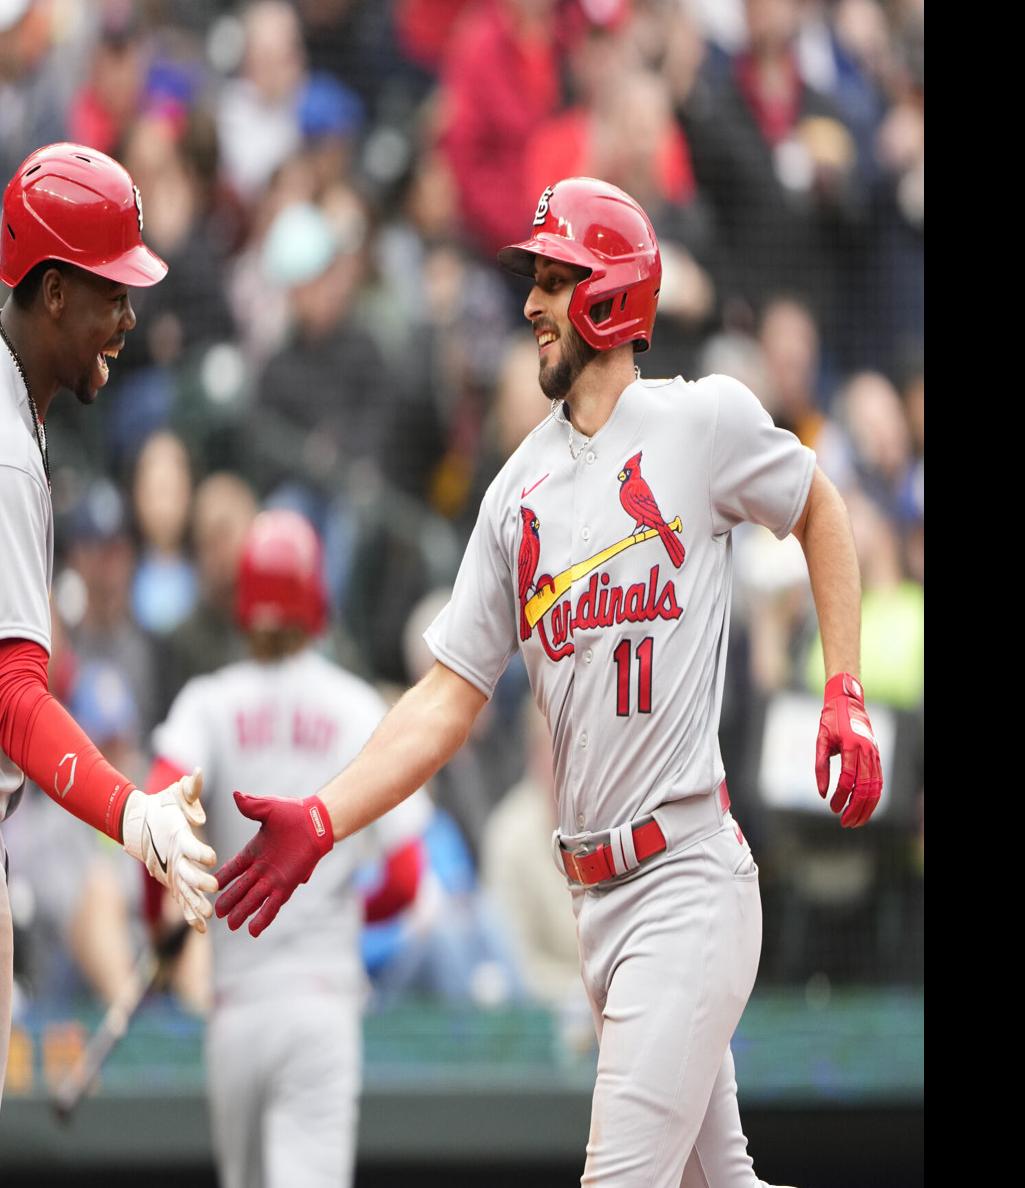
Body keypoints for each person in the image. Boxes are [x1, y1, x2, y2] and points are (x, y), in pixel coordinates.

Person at [215, 176, 883, 1188]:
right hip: (594, 907)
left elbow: (819, 509)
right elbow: (447, 694)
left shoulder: (699, 423)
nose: (530, 302)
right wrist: (323, 813)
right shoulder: (514, 489)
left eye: (554, 277)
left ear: (612, 295)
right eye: (533, 278)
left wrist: (844, 692)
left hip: (683, 879)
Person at [0, 142, 217, 1108]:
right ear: (51, 293)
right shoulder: (8, 452)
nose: (129, 319)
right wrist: (134, 816)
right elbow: (10, 697)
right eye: (110, 292)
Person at [146, 508, 429, 1188]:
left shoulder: (208, 701)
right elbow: (407, 876)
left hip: (236, 1004)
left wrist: (166, 932)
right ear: (315, 600)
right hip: (322, 999)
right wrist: (340, 914)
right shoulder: (359, 704)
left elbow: (156, 816)